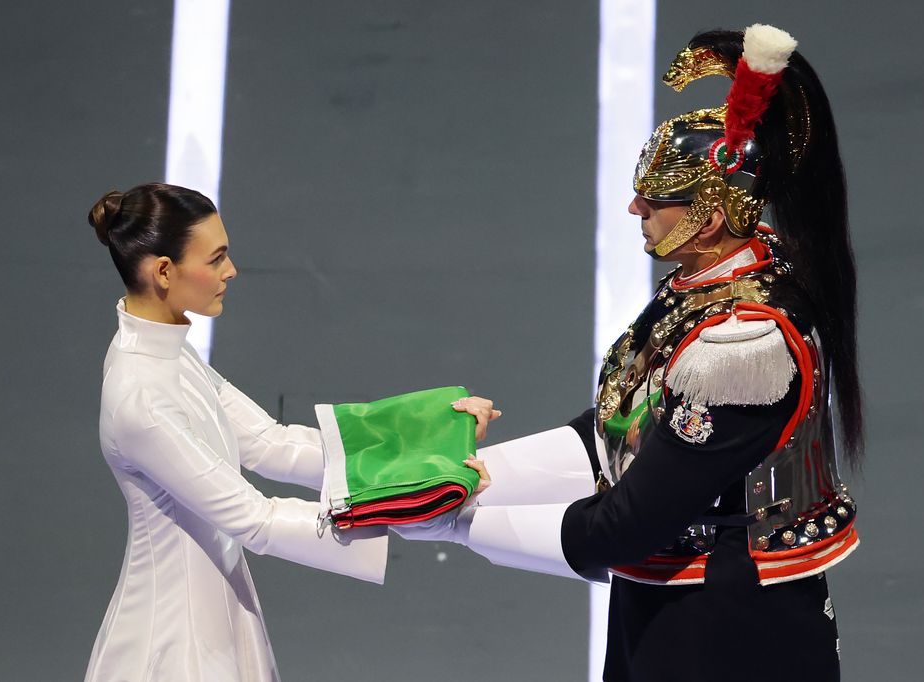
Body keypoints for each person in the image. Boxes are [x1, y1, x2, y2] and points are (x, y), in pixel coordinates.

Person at [397, 25, 861, 681]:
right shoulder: (717, 281)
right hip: (674, 598)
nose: (634, 206)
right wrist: (470, 471)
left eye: (657, 196)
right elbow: (631, 426)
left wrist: (456, 521)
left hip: (724, 631)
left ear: (711, 214)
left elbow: (625, 527)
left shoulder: (741, 343)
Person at [83, 182, 495, 682]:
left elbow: (269, 442)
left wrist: (434, 434)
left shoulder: (169, 354)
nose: (230, 271)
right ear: (164, 271)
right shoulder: (140, 397)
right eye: (215, 259)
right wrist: (404, 509)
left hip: (219, 614)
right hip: (176, 644)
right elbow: (254, 519)